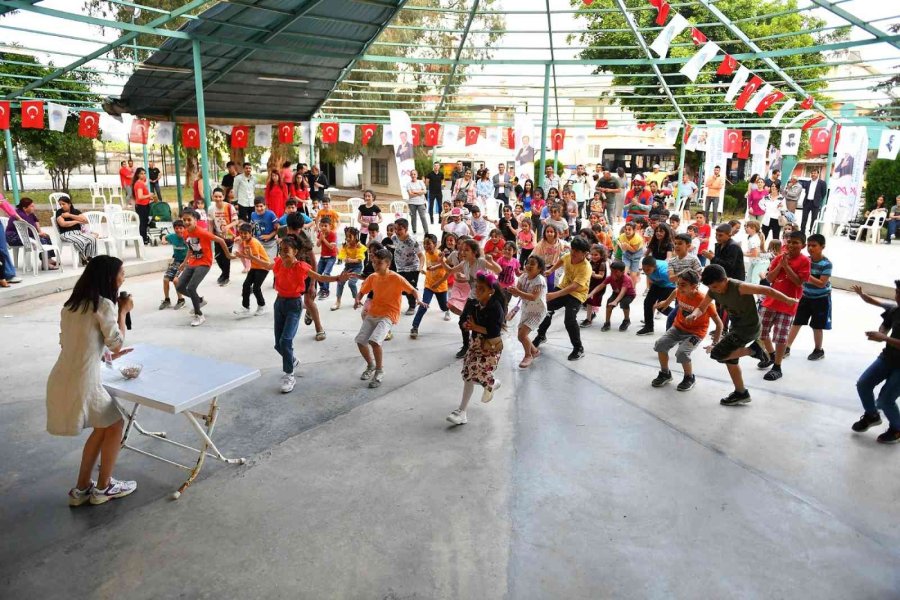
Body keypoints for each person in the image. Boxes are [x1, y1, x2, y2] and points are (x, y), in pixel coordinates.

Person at [46, 255, 136, 506]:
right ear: (110, 277)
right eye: (121, 272)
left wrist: (104, 353)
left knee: (103, 426)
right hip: (85, 380)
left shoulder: (70, 306)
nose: (124, 276)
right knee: (115, 425)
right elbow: (117, 341)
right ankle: (104, 487)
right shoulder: (104, 305)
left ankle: (82, 488)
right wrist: (123, 311)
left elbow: (72, 343)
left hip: (62, 376)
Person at [692, 264, 797, 406]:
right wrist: (694, 314)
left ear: (725, 280)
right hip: (736, 328)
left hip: (749, 329)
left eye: (716, 287)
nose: (714, 290)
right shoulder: (713, 291)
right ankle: (741, 393)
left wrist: (787, 300)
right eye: (710, 287)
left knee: (717, 354)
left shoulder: (739, 287)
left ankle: (755, 349)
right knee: (730, 360)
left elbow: (766, 289)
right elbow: (702, 307)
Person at [259, 234, 348, 393]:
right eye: (281, 250)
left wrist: (337, 278)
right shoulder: (278, 263)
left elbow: (320, 277)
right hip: (279, 304)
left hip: (294, 305)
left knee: (286, 341)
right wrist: (249, 256)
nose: (283, 253)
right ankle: (292, 360)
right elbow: (266, 265)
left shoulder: (301, 266)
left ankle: (289, 375)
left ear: (295, 252)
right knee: (278, 345)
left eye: (287, 250)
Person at [354, 248, 426, 388]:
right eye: (374, 262)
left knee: (375, 341)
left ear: (388, 264)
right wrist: (357, 299)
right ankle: (371, 365)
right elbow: (362, 291)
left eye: (379, 263)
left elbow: (413, 290)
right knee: (360, 341)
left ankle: (379, 371)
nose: (375, 265)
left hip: (389, 314)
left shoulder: (396, 278)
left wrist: (418, 300)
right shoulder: (372, 277)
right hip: (373, 313)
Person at [446, 271, 508, 425]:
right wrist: (466, 325)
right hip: (475, 343)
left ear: (491, 291)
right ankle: (464, 409)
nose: (477, 291)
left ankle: (489, 385)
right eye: (476, 287)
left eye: (482, 289)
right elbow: (463, 320)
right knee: (468, 374)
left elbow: (494, 331)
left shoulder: (496, 307)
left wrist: (475, 326)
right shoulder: (473, 302)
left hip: (490, 346)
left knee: (473, 372)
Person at [651, 270, 723, 391]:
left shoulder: (705, 301)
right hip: (678, 327)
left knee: (682, 352)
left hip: (696, 333)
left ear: (694, 286)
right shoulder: (679, 291)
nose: (679, 287)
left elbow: (719, 324)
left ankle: (689, 377)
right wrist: (666, 302)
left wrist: (715, 343)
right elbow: (675, 292)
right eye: (678, 284)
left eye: (683, 284)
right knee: (660, 344)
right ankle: (665, 373)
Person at [849, 281, 900, 444]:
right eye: (897, 292)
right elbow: (885, 325)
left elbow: (886, 336)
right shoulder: (895, 310)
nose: (897, 296)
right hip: (888, 357)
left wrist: (884, 338)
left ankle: (897, 428)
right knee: (863, 384)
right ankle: (872, 415)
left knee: (885, 399)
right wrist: (881, 333)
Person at [756, 230, 811, 381]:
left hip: (788, 304)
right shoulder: (780, 257)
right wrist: (780, 265)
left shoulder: (805, 261)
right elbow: (770, 278)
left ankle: (777, 366)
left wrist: (786, 267)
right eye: (790, 242)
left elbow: (799, 282)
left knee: (780, 337)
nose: (792, 245)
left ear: (803, 245)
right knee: (761, 332)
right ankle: (771, 355)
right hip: (770, 301)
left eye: (796, 243)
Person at [532, 236, 592, 361]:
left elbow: (574, 287)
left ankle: (578, 348)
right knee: (545, 308)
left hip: (577, 294)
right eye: (572, 250)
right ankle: (541, 335)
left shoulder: (586, 268)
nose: (573, 253)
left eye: (577, 252)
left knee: (569, 320)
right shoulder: (568, 256)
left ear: (585, 253)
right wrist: (551, 270)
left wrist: (554, 295)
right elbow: (562, 260)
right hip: (563, 287)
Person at [174, 209, 235, 327]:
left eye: (189, 220)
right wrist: (185, 262)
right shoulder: (186, 233)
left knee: (191, 287)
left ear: (195, 220)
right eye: (184, 220)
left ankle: (199, 315)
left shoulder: (202, 232)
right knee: (180, 286)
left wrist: (228, 255)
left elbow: (221, 240)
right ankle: (199, 300)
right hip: (192, 262)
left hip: (204, 262)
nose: (186, 222)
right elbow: (190, 248)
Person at [445, 238, 502, 358]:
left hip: (484, 300)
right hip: (472, 298)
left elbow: (498, 270)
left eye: (466, 250)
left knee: (480, 326)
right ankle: (466, 346)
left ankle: (482, 347)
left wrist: (491, 261)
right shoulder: (464, 264)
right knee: (463, 321)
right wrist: (441, 261)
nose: (462, 252)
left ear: (474, 252)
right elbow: (450, 270)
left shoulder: (480, 262)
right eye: (461, 250)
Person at [784, 233, 831, 361]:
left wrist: (807, 276)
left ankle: (818, 350)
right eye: (809, 245)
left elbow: (822, 284)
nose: (810, 248)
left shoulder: (826, 264)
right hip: (805, 296)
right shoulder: (806, 260)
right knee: (797, 322)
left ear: (822, 247)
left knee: (817, 326)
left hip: (821, 299)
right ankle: (786, 347)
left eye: (814, 245)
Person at [410, 233, 450, 338]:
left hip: (440, 286)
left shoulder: (439, 255)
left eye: (428, 244)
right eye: (424, 244)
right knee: (423, 305)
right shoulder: (426, 253)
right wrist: (424, 271)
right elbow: (429, 266)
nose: (426, 246)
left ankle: (448, 308)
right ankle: (415, 327)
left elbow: (446, 269)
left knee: (444, 307)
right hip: (429, 285)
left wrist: (435, 270)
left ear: (435, 244)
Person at [232, 223, 271, 317]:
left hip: (263, 267)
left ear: (251, 233)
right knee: (246, 285)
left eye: (245, 233)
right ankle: (245, 308)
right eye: (241, 233)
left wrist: (241, 255)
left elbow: (255, 258)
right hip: (254, 267)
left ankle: (262, 306)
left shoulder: (253, 243)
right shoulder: (245, 241)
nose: (243, 235)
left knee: (256, 288)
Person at [390, 218, 425, 315]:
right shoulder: (394, 238)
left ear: (406, 229)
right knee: (400, 289)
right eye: (395, 229)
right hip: (399, 268)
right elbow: (397, 248)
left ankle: (412, 306)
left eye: (400, 229)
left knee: (409, 289)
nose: (397, 231)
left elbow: (421, 256)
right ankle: (413, 295)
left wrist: (421, 267)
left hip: (413, 268)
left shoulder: (412, 241)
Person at [591, 260, 636, 332]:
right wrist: (591, 293)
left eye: (616, 272)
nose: (613, 274)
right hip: (616, 293)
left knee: (624, 303)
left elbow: (622, 292)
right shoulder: (610, 277)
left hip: (629, 294)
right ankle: (607, 323)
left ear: (622, 272)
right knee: (609, 303)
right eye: (612, 271)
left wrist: (615, 301)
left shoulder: (626, 279)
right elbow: (601, 286)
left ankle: (626, 320)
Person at [636, 256, 675, 336]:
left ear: (655, 267)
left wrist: (671, 299)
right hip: (657, 284)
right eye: (644, 269)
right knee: (648, 302)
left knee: (661, 307)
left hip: (669, 285)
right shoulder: (647, 266)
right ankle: (649, 327)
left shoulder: (663, 272)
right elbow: (651, 278)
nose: (646, 272)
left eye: (648, 270)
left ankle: (679, 316)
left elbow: (677, 284)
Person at [207, 187, 238, 286]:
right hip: (218, 235)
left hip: (229, 235)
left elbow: (236, 221)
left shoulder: (229, 207)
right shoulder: (211, 208)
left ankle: (226, 277)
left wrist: (227, 227)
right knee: (217, 257)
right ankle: (224, 273)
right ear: (212, 197)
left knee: (226, 256)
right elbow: (211, 223)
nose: (218, 198)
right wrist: (210, 236)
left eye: (220, 196)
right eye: (216, 196)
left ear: (223, 196)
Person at [332, 227, 366, 311]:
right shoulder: (345, 245)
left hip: (357, 267)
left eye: (349, 236)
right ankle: (338, 301)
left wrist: (350, 260)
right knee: (340, 281)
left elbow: (360, 259)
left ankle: (356, 300)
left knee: (351, 283)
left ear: (355, 237)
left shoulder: (359, 246)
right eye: (346, 236)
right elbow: (341, 255)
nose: (347, 238)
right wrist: (344, 258)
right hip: (348, 267)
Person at [55, 196, 97, 264]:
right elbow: (63, 224)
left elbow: (85, 220)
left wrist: (70, 216)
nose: (61, 206)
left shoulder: (76, 211)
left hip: (78, 233)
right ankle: (84, 257)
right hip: (66, 234)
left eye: (63, 204)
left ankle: (88, 256)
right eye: (60, 204)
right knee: (80, 241)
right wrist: (76, 221)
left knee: (92, 239)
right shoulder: (59, 212)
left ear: (69, 204)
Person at [158, 219, 187, 310]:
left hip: (186, 262)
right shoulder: (173, 236)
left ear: (184, 229)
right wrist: (163, 240)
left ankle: (181, 300)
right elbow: (164, 236)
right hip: (176, 261)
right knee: (166, 279)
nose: (178, 230)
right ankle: (167, 300)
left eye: (181, 228)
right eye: (176, 228)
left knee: (175, 280)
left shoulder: (187, 237)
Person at [581, 244, 609, 328]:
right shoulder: (591, 262)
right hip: (591, 284)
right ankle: (591, 314)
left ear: (601, 255)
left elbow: (601, 276)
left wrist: (592, 274)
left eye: (596, 255)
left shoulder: (602, 264)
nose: (593, 256)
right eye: (592, 254)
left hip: (598, 286)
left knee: (589, 301)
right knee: (587, 301)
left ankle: (588, 320)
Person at [315, 216, 338, 299]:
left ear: (330, 226)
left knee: (326, 273)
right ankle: (322, 288)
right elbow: (317, 245)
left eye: (325, 226)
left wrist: (323, 239)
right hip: (323, 257)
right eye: (321, 226)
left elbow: (331, 247)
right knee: (317, 273)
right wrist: (320, 239)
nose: (323, 227)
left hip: (331, 257)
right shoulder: (320, 234)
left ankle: (326, 290)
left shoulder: (332, 234)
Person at [131, 167, 153, 244]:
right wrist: (149, 195)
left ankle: (144, 238)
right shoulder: (139, 184)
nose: (143, 175)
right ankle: (144, 240)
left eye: (144, 173)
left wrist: (149, 197)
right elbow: (140, 197)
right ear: (137, 175)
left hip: (143, 205)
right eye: (141, 173)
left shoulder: (140, 183)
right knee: (143, 223)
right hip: (142, 206)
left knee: (144, 222)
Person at [618, 222, 644, 287]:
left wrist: (626, 246)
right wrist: (622, 246)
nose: (627, 231)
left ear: (634, 230)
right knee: (624, 271)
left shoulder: (638, 238)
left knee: (633, 274)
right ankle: (622, 286)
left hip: (636, 254)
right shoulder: (622, 236)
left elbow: (634, 250)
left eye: (629, 229)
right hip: (626, 254)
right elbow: (623, 249)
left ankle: (633, 288)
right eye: (626, 229)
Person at [800, 169, 826, 234]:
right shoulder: (808, 182)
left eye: (815, 173)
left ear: (818, 174)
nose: (813, 174)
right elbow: (806, 192)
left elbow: (823, 193)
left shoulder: (822, 183)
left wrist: (818, 200)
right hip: (807, 202)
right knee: (804, 218)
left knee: (814, 219)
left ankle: (812, 231)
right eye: (812, 173)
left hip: (815, 203)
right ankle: (802, 231)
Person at [405, 169, 429, 236]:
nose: (413, 175)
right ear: (410, 175)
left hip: (421, 203)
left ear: (417, 175)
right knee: (413, 217)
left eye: (414, 174)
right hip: (412, 203)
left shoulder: (420, 182)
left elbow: (425, 191)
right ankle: (414, 230)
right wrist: (420, 192)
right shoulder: (408, 184)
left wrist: (415, 192)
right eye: (412, 174)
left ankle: (426, 231)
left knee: (423, 217)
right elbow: (410, 194)